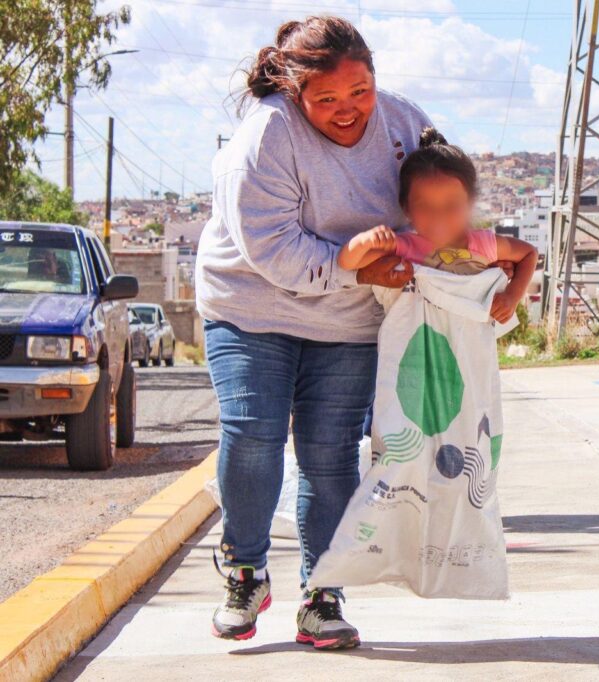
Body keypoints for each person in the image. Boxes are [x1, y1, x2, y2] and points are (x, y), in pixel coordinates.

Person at [195, 16, 433, 650]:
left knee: (330, 457)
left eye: (360, 91)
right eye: (326, 98)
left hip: (350, 317)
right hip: (251, 307)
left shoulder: (406, 125)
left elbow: (442, 200)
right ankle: (245, 571)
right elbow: (276, 253)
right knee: (252, 435)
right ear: (296, 93)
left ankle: (322, 596)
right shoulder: (266, 135)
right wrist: (354, 259)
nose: (347, 109)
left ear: (376, 80)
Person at [339, 127, 538, 323]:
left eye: (451, 205)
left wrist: (512, 297)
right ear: (406, 208)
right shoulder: (406, 247)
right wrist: (364, 241)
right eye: (425, 206)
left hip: (469, 350)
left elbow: (529, 254)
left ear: (470, 203)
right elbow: (348, 262)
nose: (439, 217)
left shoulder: (484, 244)